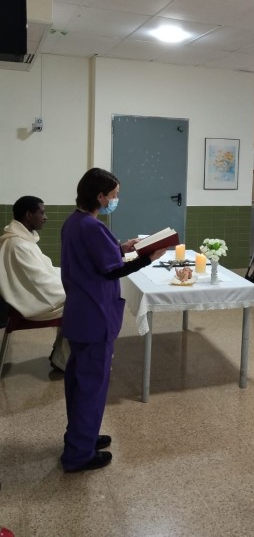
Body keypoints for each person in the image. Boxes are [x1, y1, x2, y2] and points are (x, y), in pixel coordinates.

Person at [60, 168, 166, 472]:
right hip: (95, 316)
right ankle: (79, 455)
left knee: (79, 383)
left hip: (80, 314)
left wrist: (121, 247)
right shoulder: (93, 227)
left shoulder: (74, 222)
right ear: (100, 196)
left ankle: (82, 437)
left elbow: (95, 257)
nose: (116, 200)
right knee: (91, 387)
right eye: (114, 195)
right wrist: (147, 258)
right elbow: (112, 270)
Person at [0, 196, 69, 371]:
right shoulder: (18, 244)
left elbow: (46, 271)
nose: (45, 217)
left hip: (33, 295)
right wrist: (73, 287)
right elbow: (40, 282)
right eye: (42, 213)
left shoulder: (23, 240)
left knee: (80, 296)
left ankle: (63, 356)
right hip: (28, 304)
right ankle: (65, 360)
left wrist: (71, 276)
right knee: (83, 304)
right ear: (29, 215)